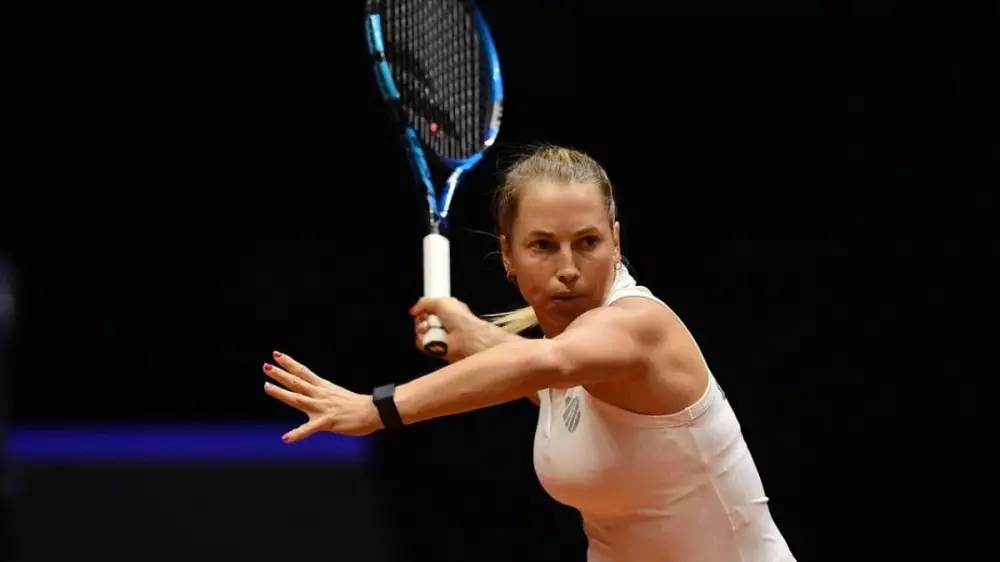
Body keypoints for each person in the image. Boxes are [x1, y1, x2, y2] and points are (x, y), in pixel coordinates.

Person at [262, 146, 795, 561]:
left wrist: (376, 408)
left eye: (587, 242)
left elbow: (545, 364)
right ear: (507, 255)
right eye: (542, 245)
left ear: (615, 241)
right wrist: (476, 337)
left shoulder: (638, 327)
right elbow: (553, 381)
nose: (568, 268)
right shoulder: (573, 357)